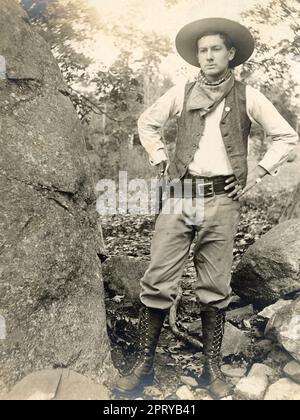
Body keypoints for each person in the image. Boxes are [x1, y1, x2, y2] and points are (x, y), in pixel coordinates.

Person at [114, 17, 298, 399]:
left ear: (231, 54)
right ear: (197, 56)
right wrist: (161, 158)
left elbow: (285, 137)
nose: (209, 56)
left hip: (222, 200)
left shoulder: (249, 96)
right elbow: (147, 123)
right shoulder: (181, 93)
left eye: (216, 49)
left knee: (214, 285)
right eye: (203, 50)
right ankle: (143, 366)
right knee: (158, 278)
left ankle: (210, 369)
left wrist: (258, 172)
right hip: (180, 195)